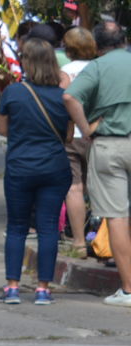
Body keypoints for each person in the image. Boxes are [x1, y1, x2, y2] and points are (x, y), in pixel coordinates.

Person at [0, 38, 73, 305]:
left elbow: (3, 130)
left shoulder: (12, 92)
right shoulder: (63, 96)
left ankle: (12, 287)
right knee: (48, 227)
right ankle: (43, 288)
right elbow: (68, 136)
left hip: (20, 166)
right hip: (54, 166)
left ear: (26, 62)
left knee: (16, 226)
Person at [63, 20, 131, 305]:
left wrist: (85, 128)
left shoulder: (98, 67)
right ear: (124, 40)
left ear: (98, 45)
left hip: (109, 144)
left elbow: (69, 96)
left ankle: (128, 290)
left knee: (117, 217)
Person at [62, 27, 101, 244]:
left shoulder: (65, 72)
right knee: (98, 187)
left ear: (69, 48)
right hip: (97, 134)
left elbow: (62, 102)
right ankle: (99, 237)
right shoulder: (100, 68)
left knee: (74, 187)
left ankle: (78, 241)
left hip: (73, 136)